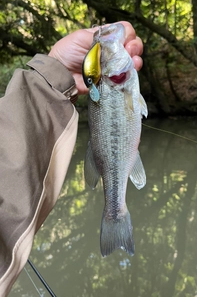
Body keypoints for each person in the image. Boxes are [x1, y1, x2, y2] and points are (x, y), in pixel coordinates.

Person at [0, 21, 143, 296]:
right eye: (104, 54)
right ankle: (116, 214)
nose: (106, 49)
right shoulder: (118, 81)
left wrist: (57, 71)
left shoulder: (112, 81)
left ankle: (116, 215)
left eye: (107, 53)